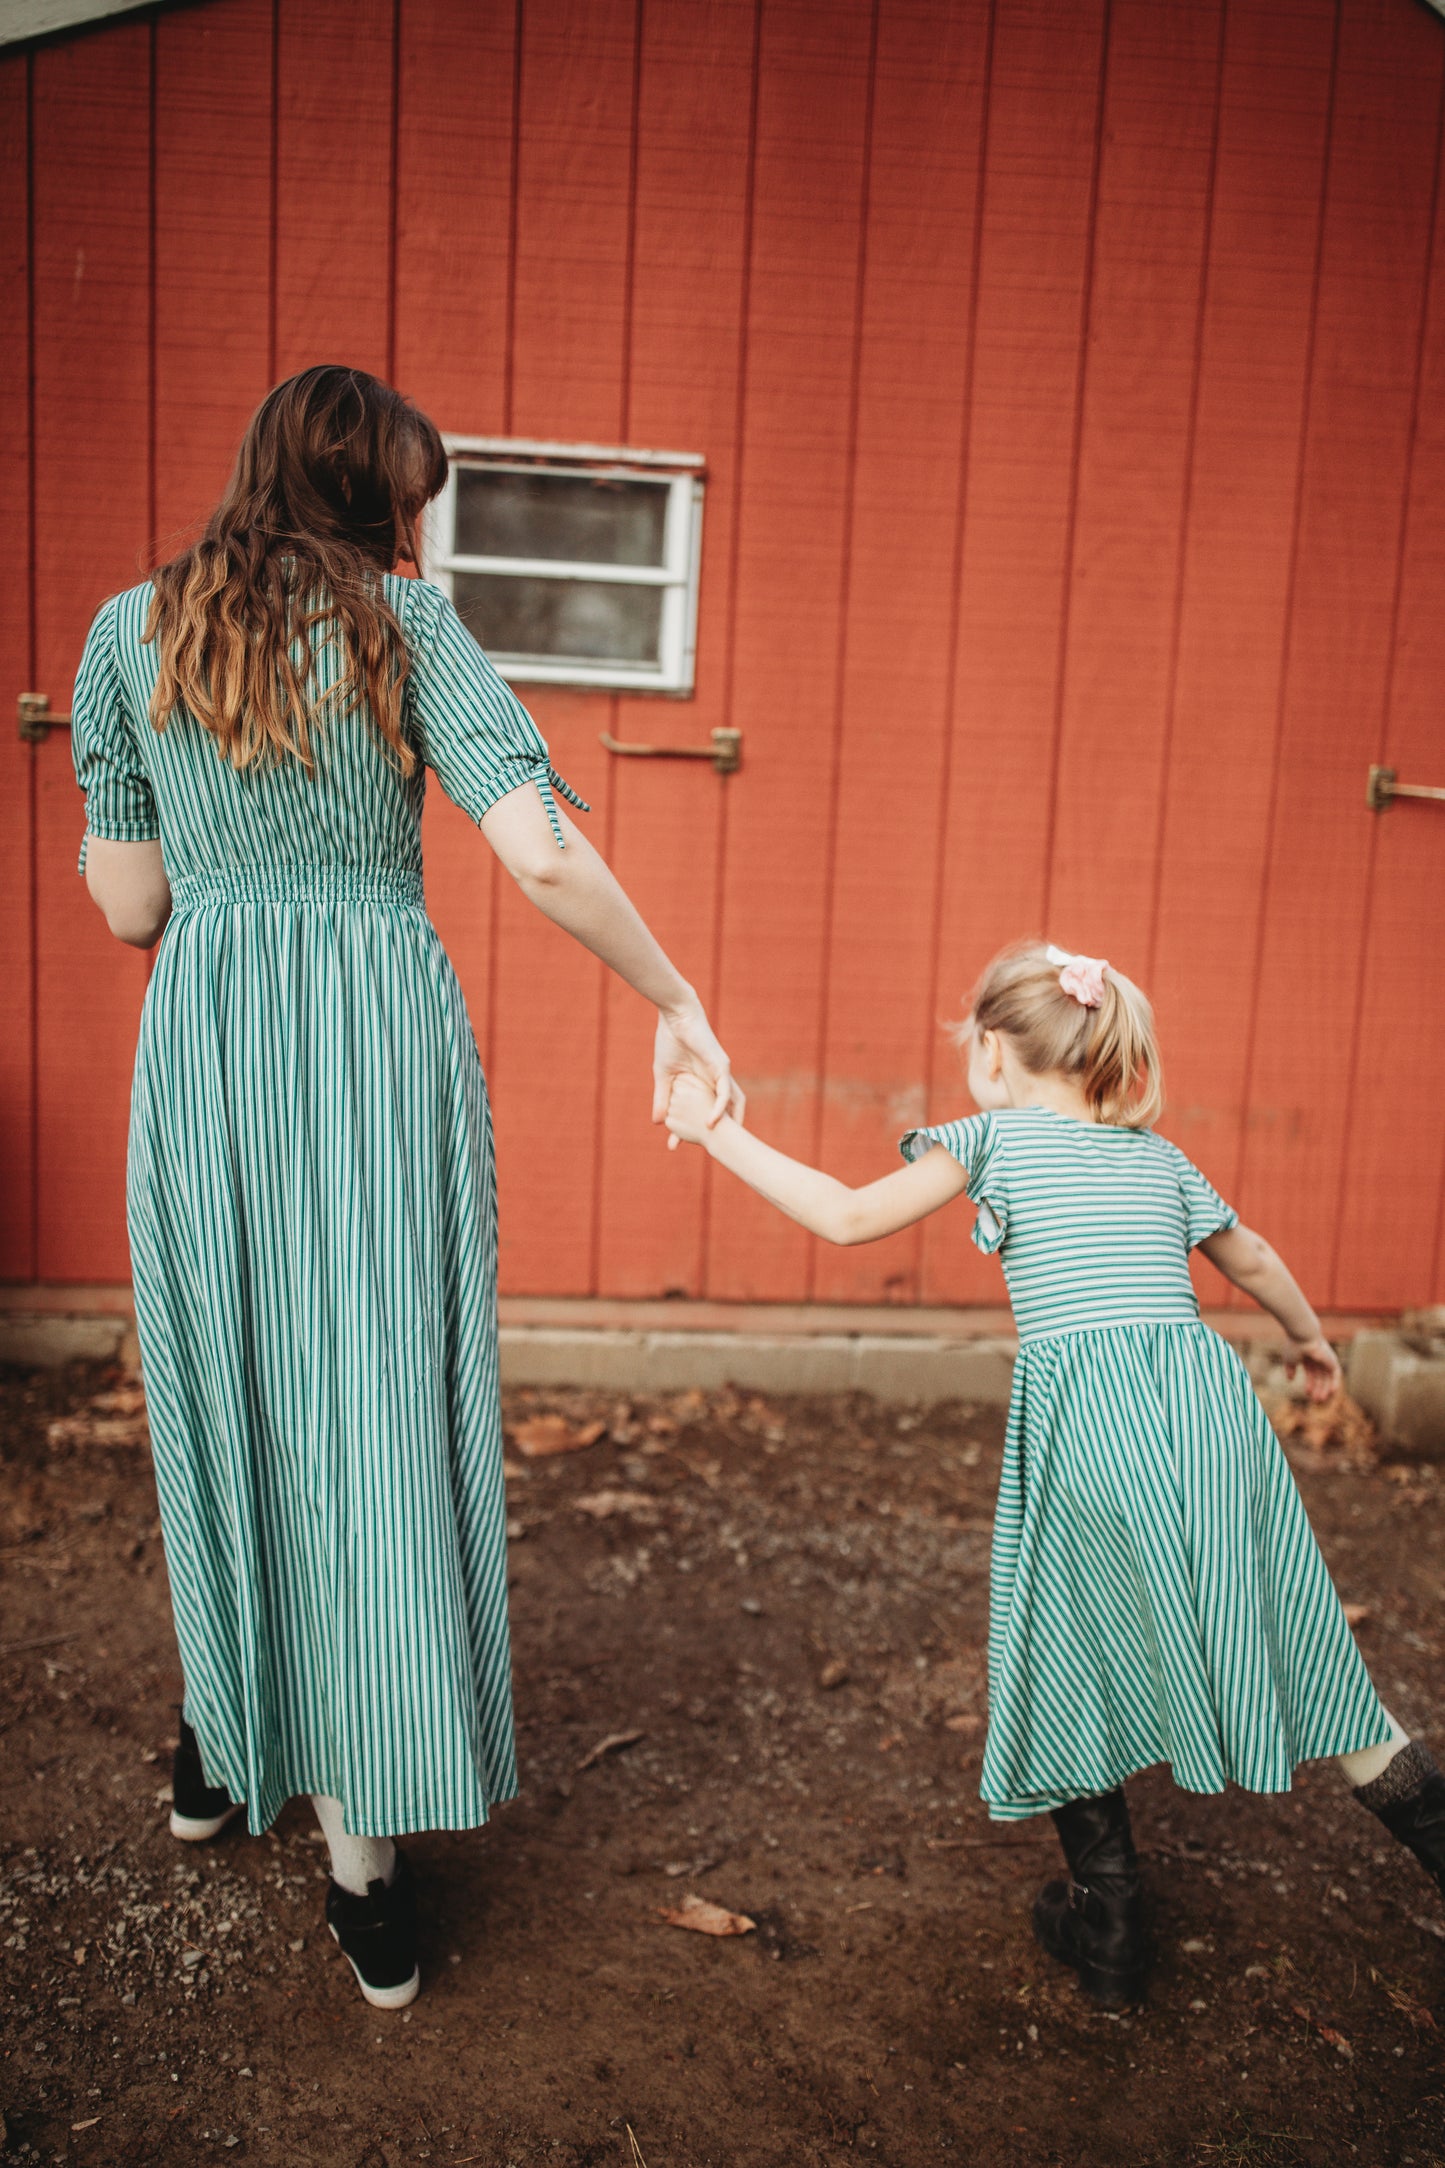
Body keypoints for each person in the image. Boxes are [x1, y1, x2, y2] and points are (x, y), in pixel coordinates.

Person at [71, 364, 741, 2010]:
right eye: (412, 497)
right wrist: (679, 997)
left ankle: (221, 1752)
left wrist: (230, 849)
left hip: (214, 1050)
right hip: (370, 1050)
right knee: (364, 1403)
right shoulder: (404, 629)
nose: (421, 525)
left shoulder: (122, 636)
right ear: (378, 501)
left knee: (230, 1397)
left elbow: (129, 909)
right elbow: (541, 850)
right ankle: (360, 1869)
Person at [664, 938, 1444, 2006]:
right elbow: (1251, 1255)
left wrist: (716, 1131)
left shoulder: (990, 1140)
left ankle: (1111, 1927)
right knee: (1294, 1634)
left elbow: (845, 1215)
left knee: (1065, 1647)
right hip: (1212, 1421)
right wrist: (1310, 1342)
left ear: (990, 1051)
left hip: (1089, 1427)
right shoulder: (1158, 1157)